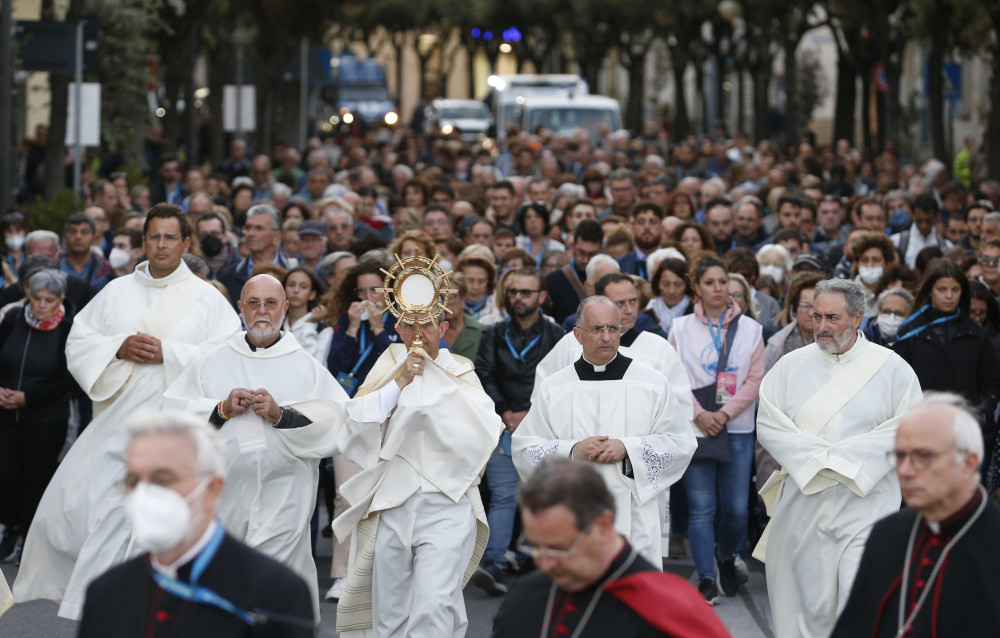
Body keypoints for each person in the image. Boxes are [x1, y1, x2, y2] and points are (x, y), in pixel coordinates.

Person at [13, 204, 240, 620]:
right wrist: (117, 347)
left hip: (176, 430)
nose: (161, 245)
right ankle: (102, 608)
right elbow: (79, 343)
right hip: (119, 422)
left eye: (171, 237)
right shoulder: (116, 291)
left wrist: (168, 353)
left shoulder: (208, 300)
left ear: (186, 243)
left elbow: (227, 357)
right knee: (89, 511)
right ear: (143, 241)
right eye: (153, 236)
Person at [163, 274, 348, 615]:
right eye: (253, 303)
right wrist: (219, 409)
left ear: (286, 308)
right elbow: (171, 411)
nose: (262, 311)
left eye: (271, 303)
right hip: (223, 495)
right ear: (240, 308)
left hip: (284, 495)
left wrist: (282, 416)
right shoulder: (212, 360)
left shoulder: (305, 366)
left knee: (270, 583)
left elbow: (336, 421)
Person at [756, 278, 922, 638]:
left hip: (866, 502)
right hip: (805, 502)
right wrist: (819, 463)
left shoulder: (892, 369)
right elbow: (770, 426)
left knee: (857, 596)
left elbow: (908, 428)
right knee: (811, 607)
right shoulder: (789, 366)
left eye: (833, 318)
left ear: (858, 317)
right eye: (817, 317)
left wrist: (843, 463)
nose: (822, 327)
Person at [331, 305, 504, 638]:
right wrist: (400, 382)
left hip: (447, 502)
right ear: (398, 328)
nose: (417, 334)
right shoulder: (389, 366)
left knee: (435, 605)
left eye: (425, 325)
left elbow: (484, 432)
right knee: (390, 613)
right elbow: (354, 427)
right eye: (408, 326)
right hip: (393, 502)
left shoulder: (461, 370)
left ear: (443, 327)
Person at [76, 411, 314, 637]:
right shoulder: (105, 592)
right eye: (133, 481)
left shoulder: (274, 592)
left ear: (212, 489)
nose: (144, 494)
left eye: (163, 479)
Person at [513, 295, 697, 566]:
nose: (607, 337)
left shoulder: (652, 383)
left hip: (636, 516)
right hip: (574, 515)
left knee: (634, 597)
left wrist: (629, 449)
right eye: (597, 329)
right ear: (577, 335)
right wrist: (574, 451)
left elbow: (680, 443)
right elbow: (526, 450)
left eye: (613, 328)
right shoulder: (554, 388)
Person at [491, 458, 730, 638]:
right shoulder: (525, 595)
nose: (544, 563)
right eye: (534, 547)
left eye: (557, 548)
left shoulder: (673, 609)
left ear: (602, 525)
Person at [831, 393, 1000, 637]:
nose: (906, 471)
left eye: (924, 456)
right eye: (900, 456)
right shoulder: (886, 535)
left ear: (969, 463)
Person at [668, 256, 765, 603]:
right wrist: (700, 415)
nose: (718, 288)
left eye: (722, 281)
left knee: (737, 507)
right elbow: (673, 379)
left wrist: (723, 413)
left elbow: (755, 380)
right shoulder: (680, 328)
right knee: (701, 507)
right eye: (709, 282)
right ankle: (706, 578)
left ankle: (727, 555)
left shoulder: (751, 329)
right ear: (696, 287)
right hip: (697, 429)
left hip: (736, 428)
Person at [472, 267, 565, 594]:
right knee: (503, 495)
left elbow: (562, 380)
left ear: (541, 296)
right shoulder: (493, 333)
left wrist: (531, 412)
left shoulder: (558, 337)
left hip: (543, 427)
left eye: (526, 292)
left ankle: (538, 564)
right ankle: (495, 563)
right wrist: (507, 412)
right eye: (513, 292)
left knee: (543, 497)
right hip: (502, 426)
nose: (518, 298)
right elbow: (483, 374)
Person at [892, 259, 999, 468]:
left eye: (955, 289)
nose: (949, 296)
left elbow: (991, 381)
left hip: (967, 430)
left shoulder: (976, 333)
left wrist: (983, 410)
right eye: (942, 289)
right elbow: (897, 382)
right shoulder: (909, 331)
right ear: (930, 291)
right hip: (922, 429)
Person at [0, 270, 75, 563]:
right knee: (6, 475)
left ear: (60, 300)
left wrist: (28, 398)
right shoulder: (13, 319)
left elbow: (69, 379)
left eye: (49, 299)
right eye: (37, 298)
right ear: (28, 296)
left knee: (35, 479)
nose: (42, 305)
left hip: (45, 419)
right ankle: (12, 528)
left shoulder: (68, 328)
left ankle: (29, 538)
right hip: (6, 415)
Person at [326, 260, 401, 397]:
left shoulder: (399, 320)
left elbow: (398, 364)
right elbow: (335, 367)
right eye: (362, 291)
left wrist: (378, 329)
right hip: (353, 396)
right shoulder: (348, 318)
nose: (368, 298)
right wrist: (352, 330)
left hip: (387, 395)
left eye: (374, 290)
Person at [217, 204, 297, 308]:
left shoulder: (293, 273)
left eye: (259, 228)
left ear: (276, 236)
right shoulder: (228, 276)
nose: (251, 233)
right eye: (248, 228)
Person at [281, 266, 331, 361]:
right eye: (291, 285)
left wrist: (309, 325)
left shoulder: (324, 328)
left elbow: (315, 363)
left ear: (312, 294)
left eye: (303, 287)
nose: (296, 290)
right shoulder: (277, 324)